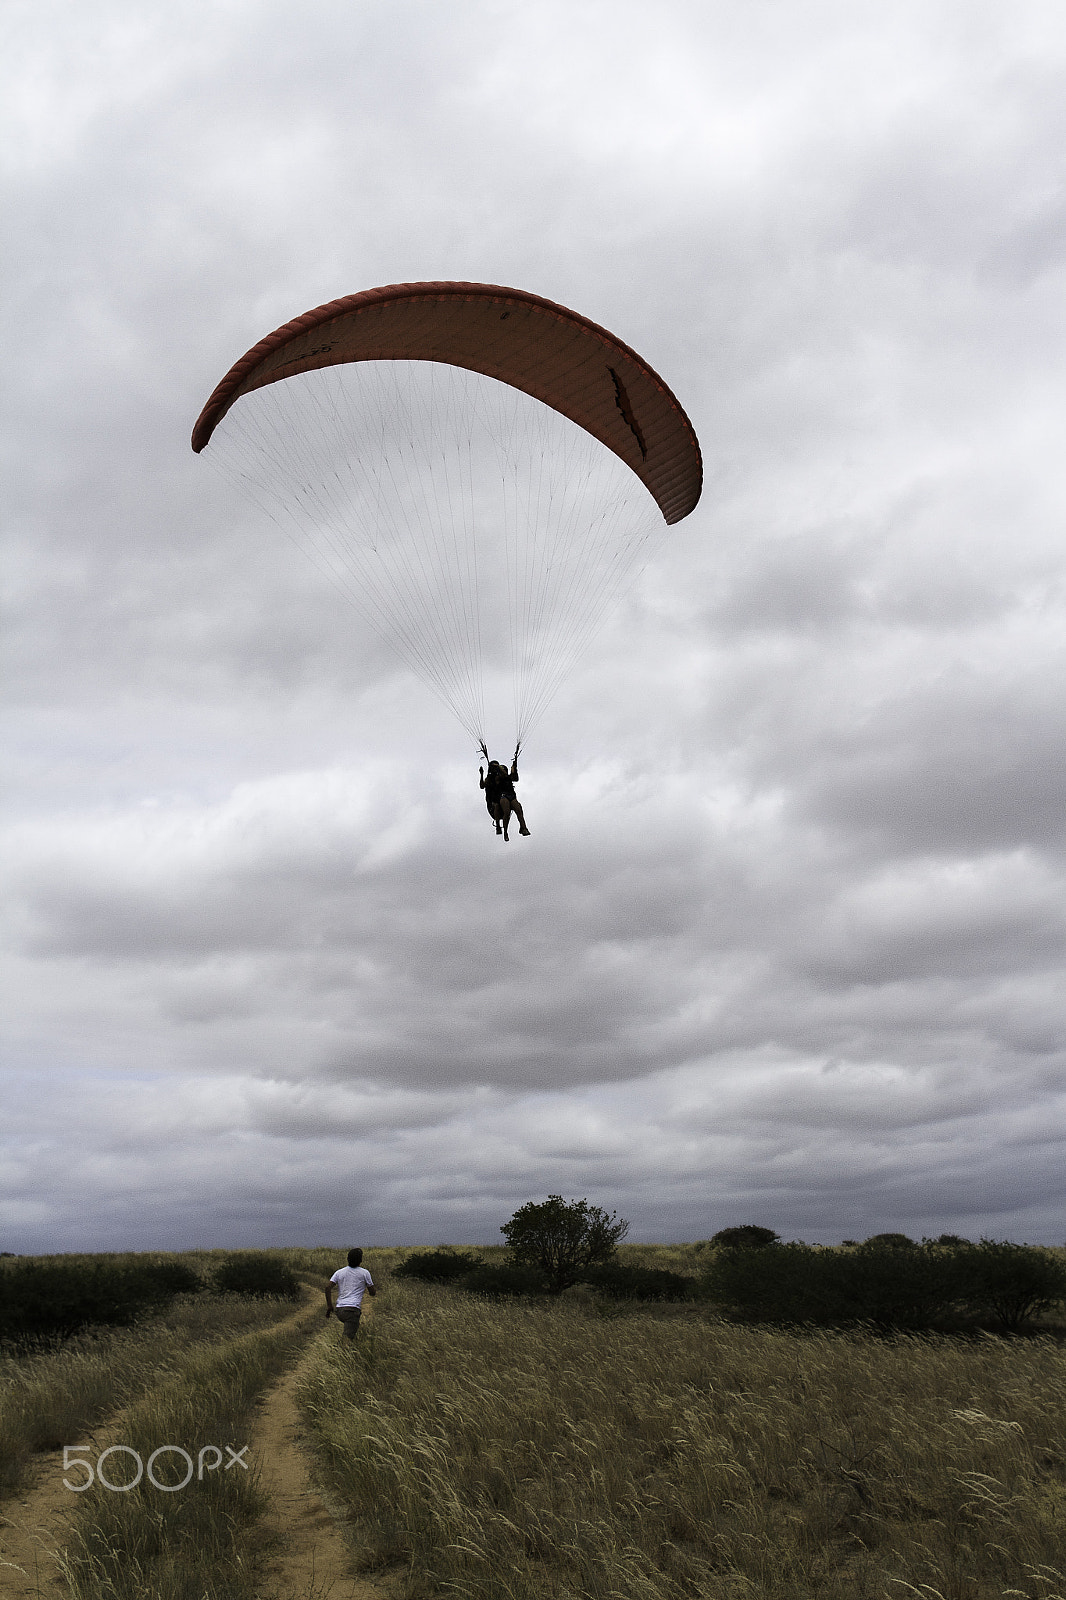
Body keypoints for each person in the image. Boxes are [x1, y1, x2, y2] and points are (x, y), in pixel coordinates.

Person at [479, 745, 531, 841]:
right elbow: (483, 785)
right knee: (504, 810)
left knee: (518, 809)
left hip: (511, 796)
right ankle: (503, 831)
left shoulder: (507, 777)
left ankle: (523, 828)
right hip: (499, 800)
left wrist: (514, 767)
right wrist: (483, 774)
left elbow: (515, 778)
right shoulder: (495, 779)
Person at [325, 1247, 376, 1339]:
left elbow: (328, 1288)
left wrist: (329, 1306)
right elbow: (372, 1292)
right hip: (352, 1310)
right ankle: (341, 1352)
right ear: (360, 1260)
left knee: (350, 1332)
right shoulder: (365, 1273)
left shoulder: (339, 1272)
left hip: (339, 1310)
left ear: (347, 1259)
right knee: (348, 1339)